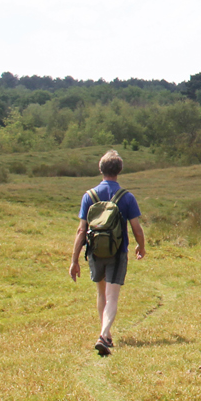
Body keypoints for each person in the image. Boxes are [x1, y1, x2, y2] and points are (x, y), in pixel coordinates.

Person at [69, 150, 146, 356]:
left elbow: (81, 230)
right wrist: (141, 246)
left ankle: (107, 333)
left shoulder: (89, 196)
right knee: (113, 296)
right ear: (119, 170)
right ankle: (104, 335)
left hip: (95, 252)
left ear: (100, 169)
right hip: (118, 251)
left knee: (101, 293)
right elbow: (136, 228)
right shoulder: (127, 197)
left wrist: (74, 259)